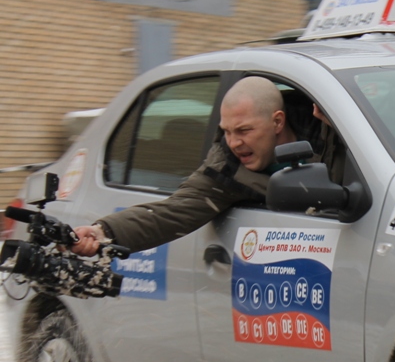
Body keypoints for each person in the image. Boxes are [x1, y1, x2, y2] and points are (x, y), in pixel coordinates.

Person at [71, 76, 340, 256]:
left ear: (278, 122)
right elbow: (168, 214)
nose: (234, 143)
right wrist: (102, 232)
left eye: (244, 130)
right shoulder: (225, 170)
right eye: (227, 131)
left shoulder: (334, 137)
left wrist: (338, 128)